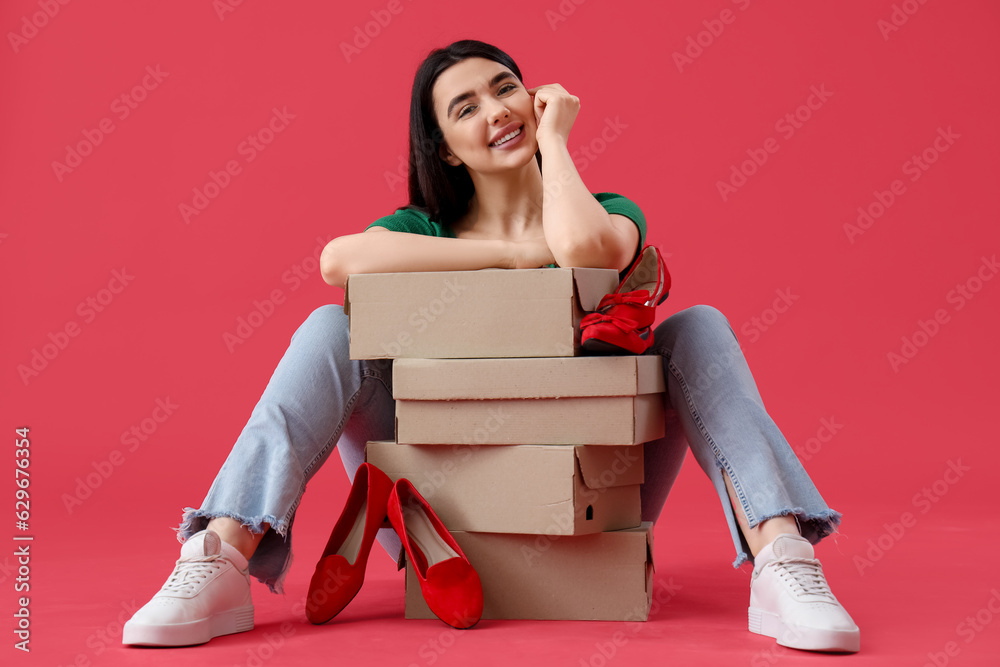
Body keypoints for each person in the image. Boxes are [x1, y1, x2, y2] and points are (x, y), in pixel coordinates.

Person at [123, 39, 860, 653]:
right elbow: (336, 262)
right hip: (435, 522)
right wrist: (506, 260)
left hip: (581, 502)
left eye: (507, 89)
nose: (497, 110)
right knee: (330, 329)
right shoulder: (422, 230)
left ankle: (781, 554)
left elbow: (579, 250)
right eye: (465, 107)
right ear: (443, 149)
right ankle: (219, 552)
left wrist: (558, 143)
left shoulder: (607, 212)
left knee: (699, 326)